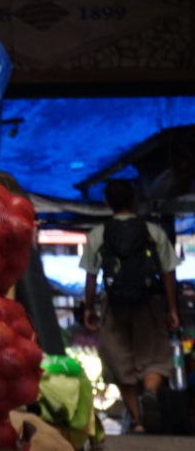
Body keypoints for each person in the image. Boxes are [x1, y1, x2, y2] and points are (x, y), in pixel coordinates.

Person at [80, 179, 181, 433]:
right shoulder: (153, 232)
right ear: (134, 199)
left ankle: (137, 421)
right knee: (154, 356)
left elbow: (91, 275)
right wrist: (172, 308)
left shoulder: (98, 235)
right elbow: (167, 272)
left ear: (107, 202)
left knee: (119, 360)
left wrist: (89, 308)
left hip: (113, 305)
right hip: (148, 303)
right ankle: (150, 392)